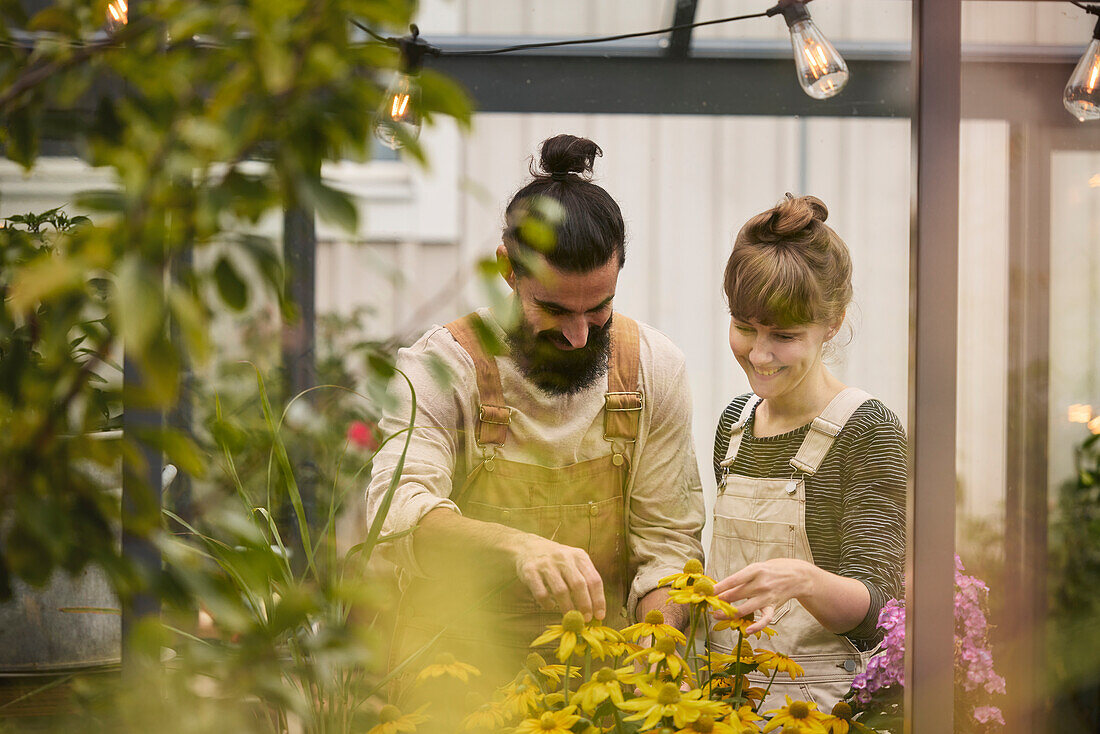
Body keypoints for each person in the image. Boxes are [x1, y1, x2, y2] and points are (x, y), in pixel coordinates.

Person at [365, 134, 705, 684]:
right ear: (507, 268)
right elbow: (397, 514)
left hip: (603, 681)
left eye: (600, 309)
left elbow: (667, 545)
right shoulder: (440, 368)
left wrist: (654, 654)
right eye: (552, 309)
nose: (576, 335)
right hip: (454, 684)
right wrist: (516, 547)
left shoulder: (653, 369)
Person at [708, 194, 906, 711]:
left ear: (833, 322)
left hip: (820, 710)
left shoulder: (866, 430)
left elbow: (878, 613)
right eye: (745, 327)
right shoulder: (735, 425)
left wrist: (802, 580)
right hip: (717, 704)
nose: (759, 354)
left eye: (785, 335)